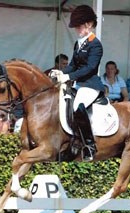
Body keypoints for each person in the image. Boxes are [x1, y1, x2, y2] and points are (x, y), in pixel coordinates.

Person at [50, 5, 104, 161]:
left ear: (88, 24)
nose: (76, 29)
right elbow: (73, 65)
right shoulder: (79, 43)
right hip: (77, 84)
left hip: (90, 85)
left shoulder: (95, 45)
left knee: (77, 106)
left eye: (79, 26)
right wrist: (61, 72)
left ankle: (89, 145)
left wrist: (68, 77)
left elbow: (90, 68)